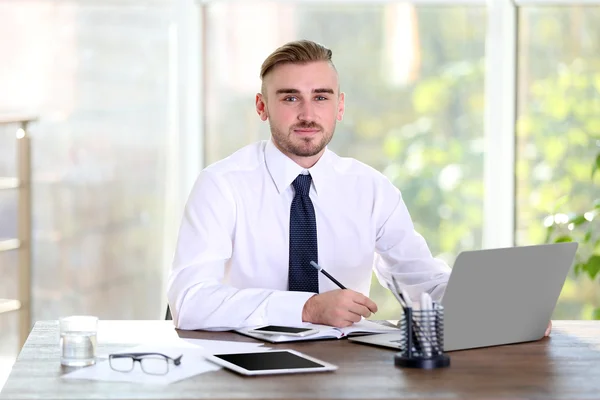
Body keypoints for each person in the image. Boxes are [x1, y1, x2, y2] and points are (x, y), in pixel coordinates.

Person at [166, 39, 552, 336]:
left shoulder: (370, 188)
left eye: (321, 97)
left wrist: (504, 308)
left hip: (344, 368)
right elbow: (189, 301)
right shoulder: (221, 185)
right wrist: (306, 308)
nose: (307, 114)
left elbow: (420, 281)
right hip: (240, 364)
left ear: (340, 106)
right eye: (289, 98)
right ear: (262, 107)